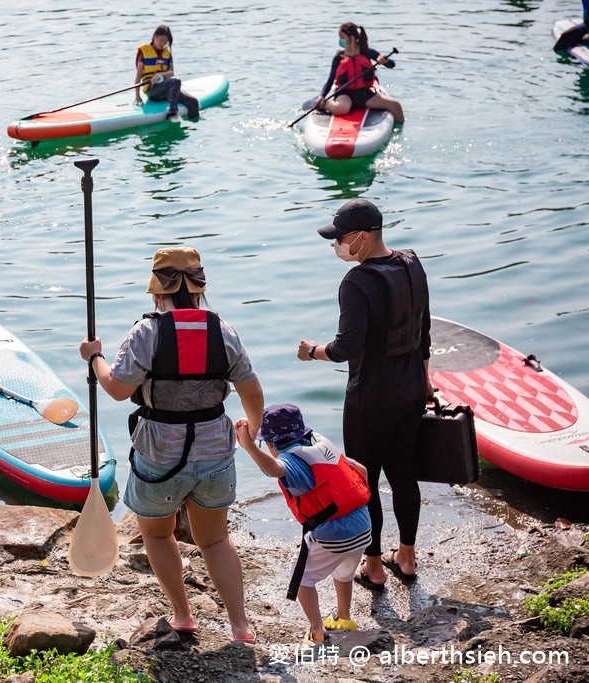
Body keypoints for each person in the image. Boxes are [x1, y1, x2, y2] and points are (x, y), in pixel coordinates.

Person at [79, 246, 263, 644]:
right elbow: (251, 389)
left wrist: (95, 358)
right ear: (199, 291)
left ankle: (183, 615)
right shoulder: (223, 330)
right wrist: (254, 432)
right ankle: (240, 625)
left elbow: (116, 389)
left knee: (158, 535)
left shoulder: (147, 332)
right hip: (215, 449)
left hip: (160, 455)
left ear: (156, 293)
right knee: (215, 539)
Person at [297, 198, 432, 591]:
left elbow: (348, 347)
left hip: (370, 398)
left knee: (364, 480)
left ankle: (373, 567)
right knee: (404, 475)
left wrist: (312, 352)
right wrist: (424, 382)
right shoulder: (412, 263)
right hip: (410, 390)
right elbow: (423, 332)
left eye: (340, 238)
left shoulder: (356, 282)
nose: (337, 245)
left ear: (361, 237)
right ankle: (405, 558)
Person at [235, 403, 371, 648]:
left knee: (301, 579)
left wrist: (248, 446)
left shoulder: (290, 462)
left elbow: (274, 468)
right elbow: (360, 469)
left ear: (271, 443)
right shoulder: (318, 445)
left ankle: (317, 632)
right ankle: (344, 617)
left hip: (335, 534)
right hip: (364, 526)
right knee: (344, 571)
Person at [316, 22, 404, 124]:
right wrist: (322, 96)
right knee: (342, 109)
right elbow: (330, 80)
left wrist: (384, 60)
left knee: (395, 105)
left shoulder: (368, 52)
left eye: (342, 38)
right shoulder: (339, 57)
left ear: (352, 38)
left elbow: (392, 65)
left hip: (365, 94)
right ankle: (325, 104)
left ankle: (398, 129)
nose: (340, 41)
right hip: (345, 94)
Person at [134, 25, 200, 122]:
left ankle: (193, 127)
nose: (162, 44)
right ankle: (172, 112)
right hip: (152, 91)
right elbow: (138, 77)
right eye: (161, 40)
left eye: (165, 42)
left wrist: (160, 75)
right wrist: (137, 97)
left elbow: (171, 72)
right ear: (155, 36)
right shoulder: (143, 53)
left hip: (167, 89)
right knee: (175, 82)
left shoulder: (167, 52)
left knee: (193, 102)